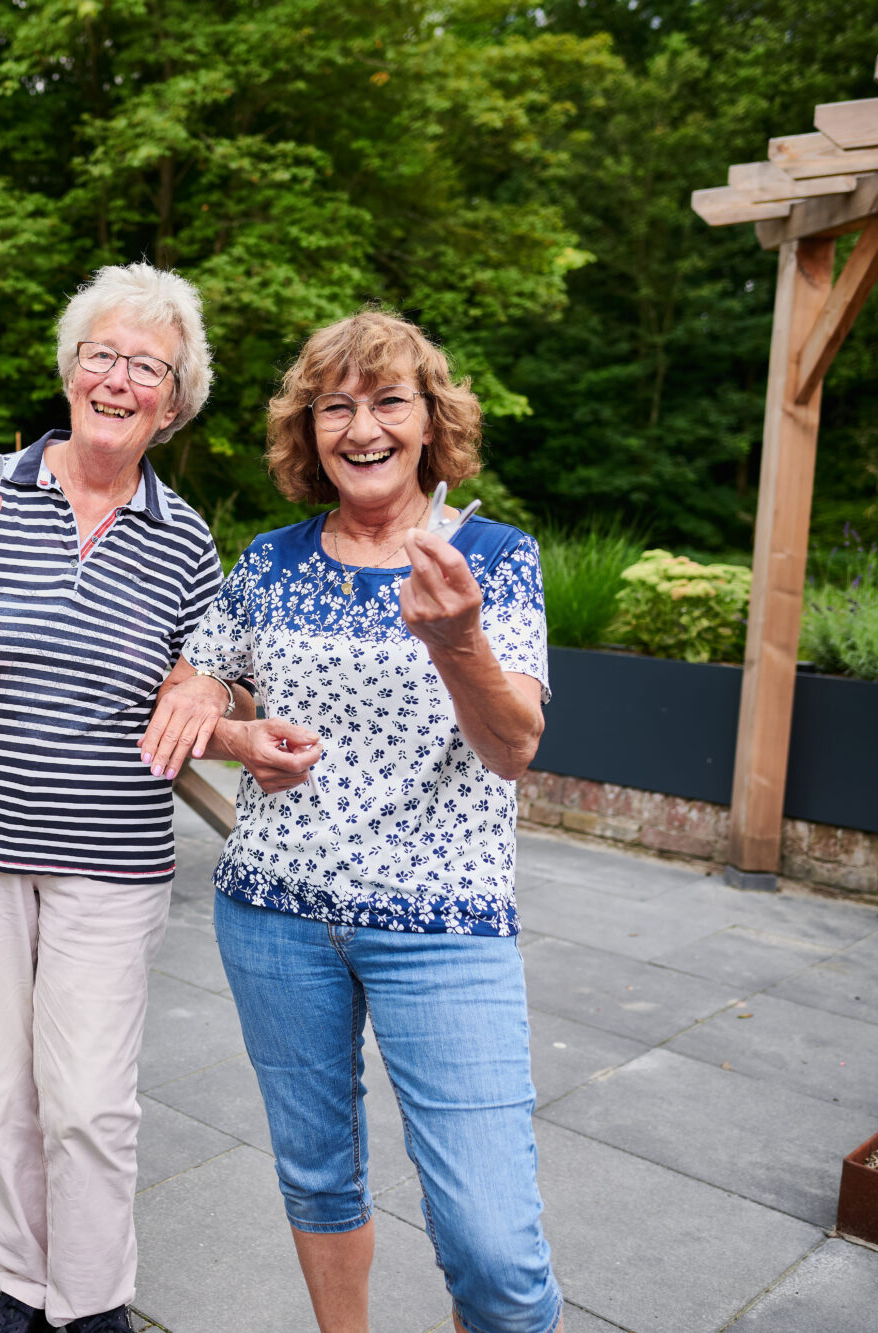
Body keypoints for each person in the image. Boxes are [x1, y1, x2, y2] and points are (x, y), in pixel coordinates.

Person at [141, 309, 561, 1333]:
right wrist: (212, 714)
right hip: (274, 915)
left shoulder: (492, 560)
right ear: (308, 431)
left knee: (494, 1255)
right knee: (318, 1174)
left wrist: (457, 639)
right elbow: (199, 676)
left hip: (441, 925)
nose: (360, 427)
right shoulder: (272, 560)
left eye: (386, 402)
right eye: (336, 407)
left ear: (428, 423)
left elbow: (512, 747)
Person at [0, 263, 227, 1333]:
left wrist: (205, 683)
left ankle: (93, 1305)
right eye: (102, 355)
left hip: (110, 846)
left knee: (87, 1098)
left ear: (170, 405)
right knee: (2, 1085)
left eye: (145, 366)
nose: (118, 379)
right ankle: (21, 1287)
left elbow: (210, 667)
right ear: (70, 371)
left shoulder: (183, 537)